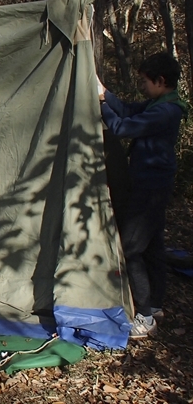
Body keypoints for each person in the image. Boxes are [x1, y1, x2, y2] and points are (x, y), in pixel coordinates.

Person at [99, 52, 187, 339]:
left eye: (145, 81)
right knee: (152, 247)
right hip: (152, 184)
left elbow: (121, 126)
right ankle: (157, 305)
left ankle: (145, 316)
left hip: (150, 188)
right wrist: (106, 95)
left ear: (161, 81)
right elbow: (126, 110)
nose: (142, 86)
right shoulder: (159, 103)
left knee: (132, 248)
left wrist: (101, 106)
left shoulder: (165, 111)